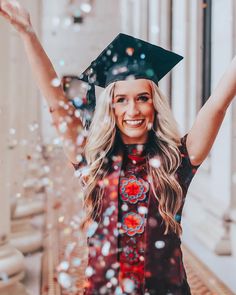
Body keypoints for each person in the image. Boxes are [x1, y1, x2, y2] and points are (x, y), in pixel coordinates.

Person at [0, 1, 236, 294]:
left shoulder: (176, 159)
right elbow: (56, 105)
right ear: (110, 107)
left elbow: (217, 105)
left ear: (155, 105)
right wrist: (28, 34)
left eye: (142, 98)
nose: (132, 109)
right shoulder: (93, 160)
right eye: (121, 99)